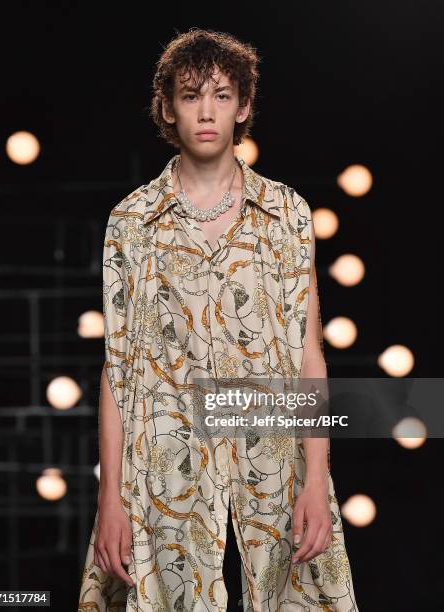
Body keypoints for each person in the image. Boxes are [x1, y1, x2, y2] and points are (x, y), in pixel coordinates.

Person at [78, 28, 359, 612]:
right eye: (190, 95)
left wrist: (314, 477)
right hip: (163, 467)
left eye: (223, 95)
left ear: (245, 107)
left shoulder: (286, 214)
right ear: (167, 108)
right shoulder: (132, 222)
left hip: (274, 456)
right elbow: (117, 368)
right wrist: (110, 498)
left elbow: (308, 352)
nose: (206, 111)